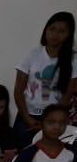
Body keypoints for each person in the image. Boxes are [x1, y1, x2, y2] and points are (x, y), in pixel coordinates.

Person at [15, 11, 76, 146]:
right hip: (26, 116)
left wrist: (50, 122)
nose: (55, 34)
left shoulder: (73, 59)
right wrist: (27, 118)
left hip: (54, 120)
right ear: (45, 30)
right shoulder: (32, 55)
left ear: (68, 34)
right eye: (52, 29)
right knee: (21, 158)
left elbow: (67, 97)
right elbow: (18, 91)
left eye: (61, 31)